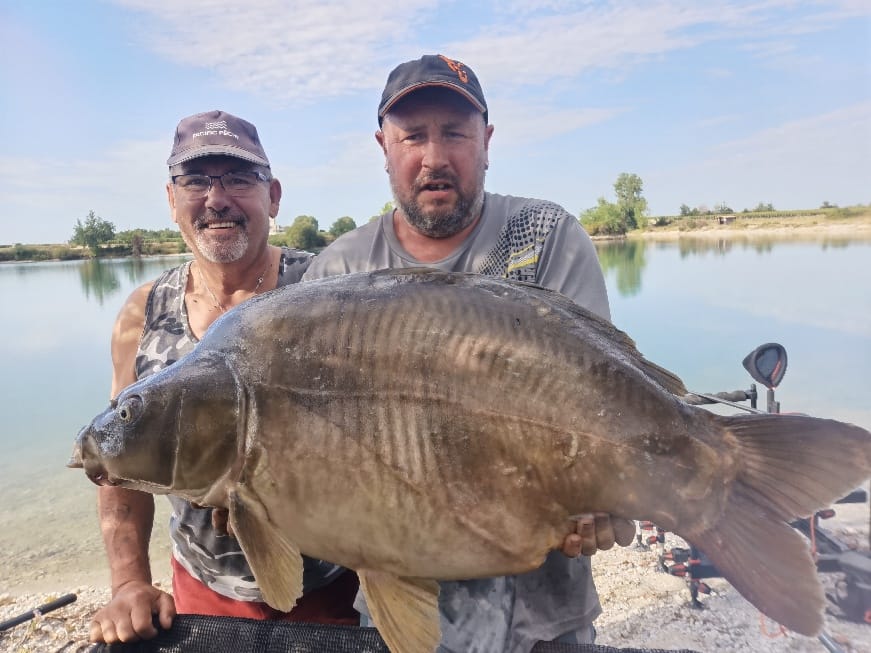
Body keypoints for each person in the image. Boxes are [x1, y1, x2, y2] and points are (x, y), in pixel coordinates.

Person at [302, 54, 635, 652]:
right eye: (413, 136)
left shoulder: (544, 237)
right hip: (401, 604)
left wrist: (608, 491)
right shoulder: (338, 273)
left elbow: (598, 399)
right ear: (384, 148)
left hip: (544, 614)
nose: (435, 157)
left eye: (454, 133)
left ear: (486, 142)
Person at [90, 110, 359, 644]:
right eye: (195, 180)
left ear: (273, 197)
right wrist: (129, 582)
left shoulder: (328, 289)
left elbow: (383, 436)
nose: (216, 199)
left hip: (333, 586)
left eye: (239, 178)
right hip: (204, 590)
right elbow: (119, 464)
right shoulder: (144, 312)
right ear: (172, 199)